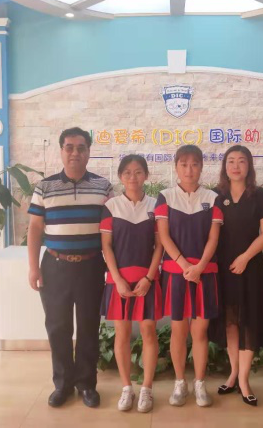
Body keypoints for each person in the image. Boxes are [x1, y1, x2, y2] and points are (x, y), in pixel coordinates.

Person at [27, 127, 113, 409]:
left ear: (88, 151)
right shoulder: (45, 187)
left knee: (89, 327)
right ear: (62, 150)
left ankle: (87, 384)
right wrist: (33, 268)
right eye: (69, 147)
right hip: (55, 266)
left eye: (81, 147)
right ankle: (62, 385)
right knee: (57, 327)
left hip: (91, 266)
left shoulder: (103, 187)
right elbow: (35, 228)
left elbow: (111, 229)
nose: (75, 153)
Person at [154, 144, 223, 408]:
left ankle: (200, 383)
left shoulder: (213, 198)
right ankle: (180, 382)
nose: (189, 169)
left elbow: (213, 238)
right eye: (183, 164)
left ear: (202, 167)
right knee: (178, 330)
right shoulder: (165, 197)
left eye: (194, 164)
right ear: (176, 167)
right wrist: (185, 266)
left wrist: (200, 266)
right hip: (176, 274)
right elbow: (164, 236)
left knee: (200, 331)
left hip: (205, 273)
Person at [210, 145, 263, 407]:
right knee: (230, 322)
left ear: (249, 166)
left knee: (249, 321)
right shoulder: (216, 196)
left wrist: (245, 257)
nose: (236, 166)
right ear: (224, 166)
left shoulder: (259, 195)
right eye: (231, 161)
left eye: (241, 161)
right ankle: (233, 373)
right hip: (223, 267)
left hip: (250, 266)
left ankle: (245, 380)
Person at [99, 155, 163, 413]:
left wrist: (149, 278)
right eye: (127, 172)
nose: (132, 177)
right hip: (119, 281)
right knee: (122, 333)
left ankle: (146, 388)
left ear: (146, 175)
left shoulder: (156, 205)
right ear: (120, 177)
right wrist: (117, 280)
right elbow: (106, 246)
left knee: (148, 331)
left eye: (138, 172)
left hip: (147, 279)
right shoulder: (111, 206)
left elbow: (160, 246)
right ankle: (127, 388)